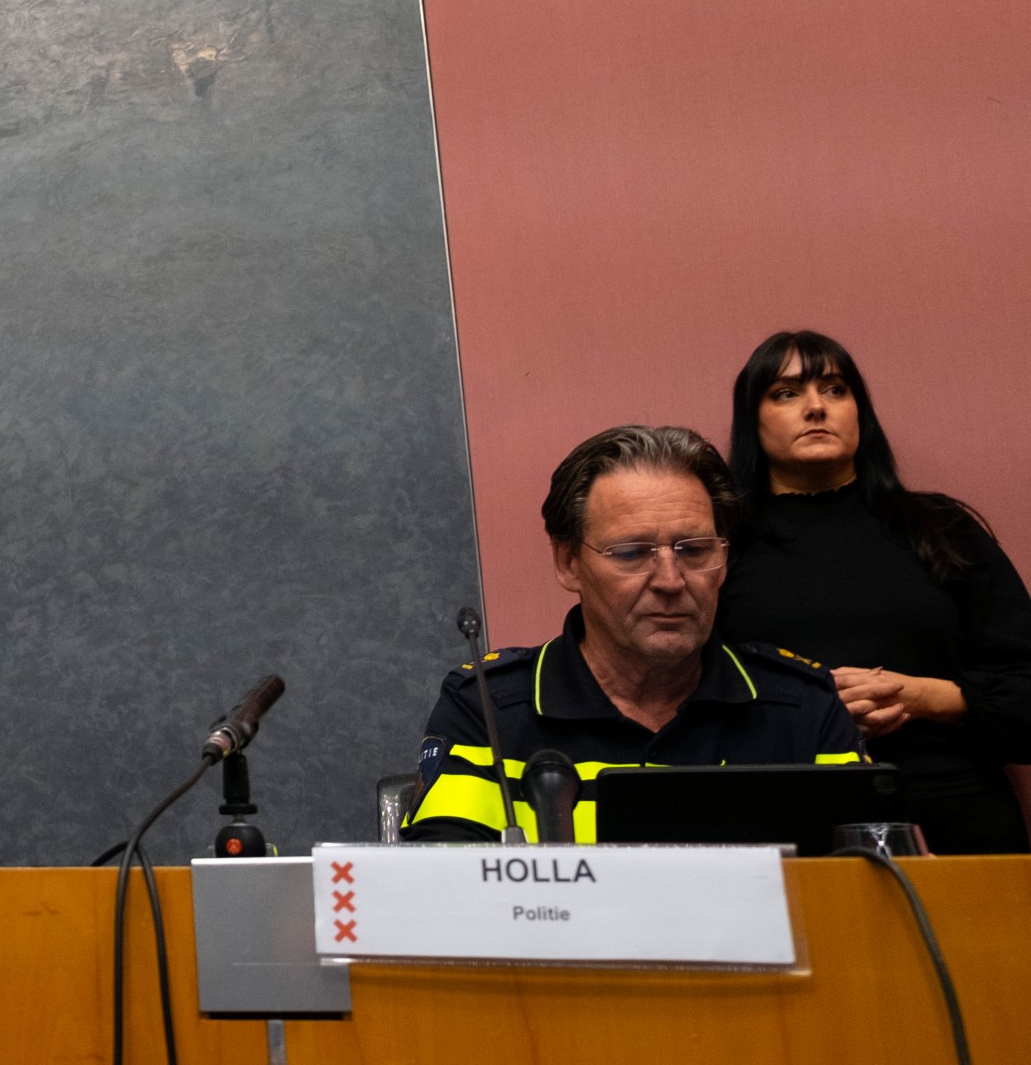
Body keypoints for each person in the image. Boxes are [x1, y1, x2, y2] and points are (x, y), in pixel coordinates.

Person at [404, 426, 866, 843]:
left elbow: (867, 899)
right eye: (631, 553)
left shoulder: (801, 707)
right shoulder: (488, 708)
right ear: (569, 563)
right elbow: (441, 904)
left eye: (693, 550)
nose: (670, 580)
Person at [716, 330, 1031, 854]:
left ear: (860, 411)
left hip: (956, 814)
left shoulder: (941, 529)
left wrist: (922, 696)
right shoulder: (719, 547)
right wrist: (811, 713)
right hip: (782, 819)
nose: (816, 407)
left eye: (835, 389)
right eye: (787, 393)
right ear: (753, 418)